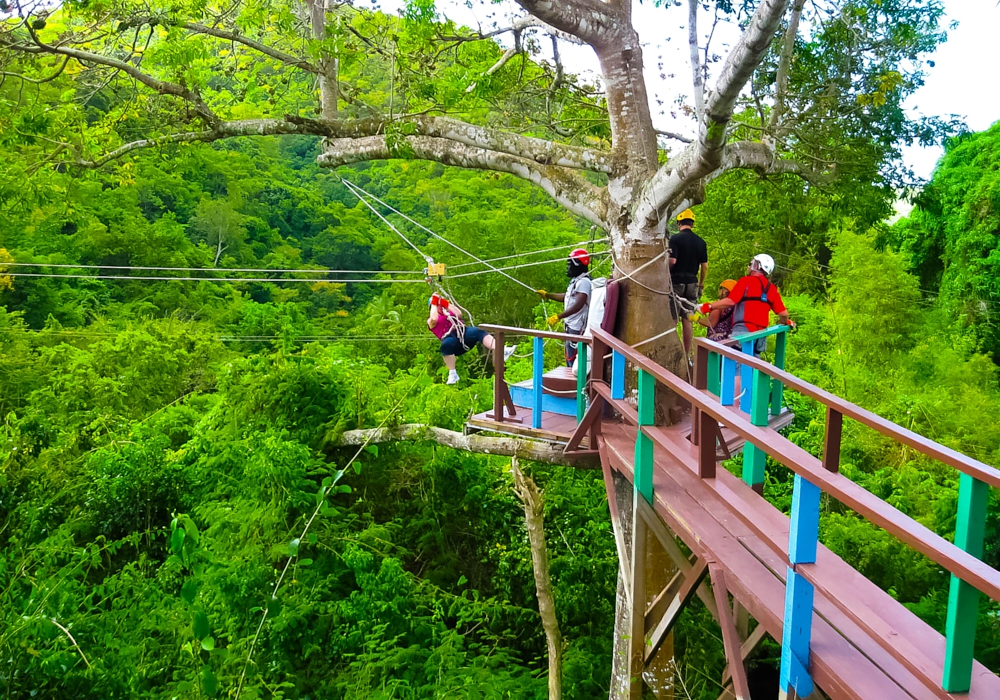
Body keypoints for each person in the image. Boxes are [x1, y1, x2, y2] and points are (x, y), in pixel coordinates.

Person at [699, 254, 794, 355]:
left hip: (742, 333)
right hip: (760, 336)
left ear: (756, 265)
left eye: (750, 263)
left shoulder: (745, 281)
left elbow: (730, 301)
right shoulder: (771, 288)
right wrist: (783, 322)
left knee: (737, 366)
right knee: (753, 366)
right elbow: (783, 314)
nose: (749, 267)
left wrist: (709, 307)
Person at [427, 294, 514, 384]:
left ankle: (501, 349)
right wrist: (434, 302)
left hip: (463, 333)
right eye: (438, 306)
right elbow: (434, 319)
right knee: (445, 345)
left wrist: (444, 302)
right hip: (452, 341)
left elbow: (459, 313)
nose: (441, 307)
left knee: (478, 331)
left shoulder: (449, 313)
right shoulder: (430, 321)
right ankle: (452, 373)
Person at [536, 248, 591, 366]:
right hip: (571, 326)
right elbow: (566, 297)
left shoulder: (584, 282)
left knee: (574, 360)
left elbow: (578, 304)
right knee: (569, 358)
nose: (568, 268)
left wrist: (558, 316)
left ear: (578, 264)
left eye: (570, 264)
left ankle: (576, 384)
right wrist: (547, 295)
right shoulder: (576, 281)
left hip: (577, 328)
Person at [669, 208, 708, 356]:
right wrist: (701, 284)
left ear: (679, 222)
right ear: (692, 223)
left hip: (676, 282)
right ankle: (686, 353)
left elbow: (673, 261)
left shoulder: (675, 239)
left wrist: (663, 270)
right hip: (692, 283)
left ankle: (672, 351)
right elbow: (704, 267)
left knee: (672, 319)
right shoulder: (701, 242)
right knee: (688, 318)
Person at [698, 279, 737, 343]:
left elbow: (711, 323)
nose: (718, 290)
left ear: (725, 291)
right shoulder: (735, 306)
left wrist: (696, 318)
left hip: (717, 340)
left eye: (720, 288)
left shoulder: (719, 305)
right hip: (729, 339)